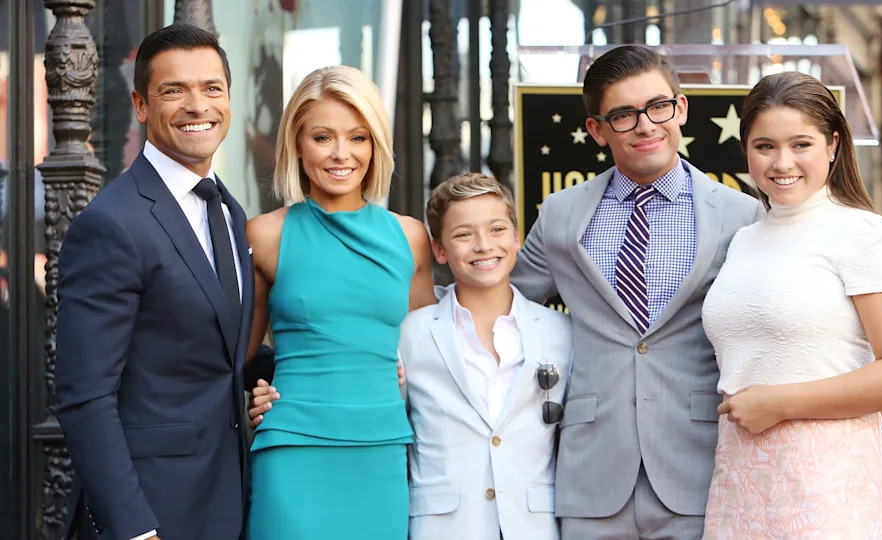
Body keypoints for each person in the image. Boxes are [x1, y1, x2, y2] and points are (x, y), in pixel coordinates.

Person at [510, 45, 764, 538]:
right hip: (591, 473)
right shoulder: (560, 214)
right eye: (624, 115)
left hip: (699, 468)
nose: (646, 126)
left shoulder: (742, 215)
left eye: (658, 107)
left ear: (681, 108)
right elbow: (503, 305)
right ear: (597, 130)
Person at [701, 71, 882, 538]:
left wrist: (778, 403)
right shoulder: (743, 240)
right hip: (740, 483)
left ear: (833, 145)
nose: (782, 162)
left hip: (827, 484)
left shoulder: (866, 234)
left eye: (800, 144)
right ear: (745, 149)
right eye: (765, 146)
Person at [56, 24, 252, 540]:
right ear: (141, 106)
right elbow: (85, 397)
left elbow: (217, 350)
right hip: (153, 514)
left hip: (229, 502)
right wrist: (135, 529)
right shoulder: (111, 223)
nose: (197, 105)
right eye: (174, 90)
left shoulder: (229, 211)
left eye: (212, 88)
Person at [243, 65, 434, 539]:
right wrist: (258, 387)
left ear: (376, 144)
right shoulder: (265, 234)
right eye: (323, 137)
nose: (341, 154)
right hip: (292, 449)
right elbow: (236, 356)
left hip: (381, 452)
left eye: (358, 137)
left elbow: (430, 355)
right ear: (297, 143)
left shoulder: (410, 237)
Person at [402, 173, 572, 539]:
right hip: (442, 529)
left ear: (516, 238)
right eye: (464, 234)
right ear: (439, 250)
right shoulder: (409, 334)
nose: (483, 245)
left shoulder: (562, 332)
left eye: (497, 230)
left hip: (536, 527)